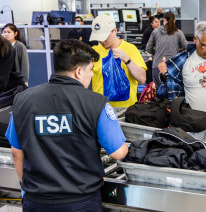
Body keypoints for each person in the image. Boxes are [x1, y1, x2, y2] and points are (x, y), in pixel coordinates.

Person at [5, 39, 128, 210]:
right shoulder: (96, 103)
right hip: (80, 202)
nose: (92, 75)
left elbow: (16, 152)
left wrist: (27, 187)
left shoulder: (22, 101)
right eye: (90, 70)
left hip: (36, 201)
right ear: (78, 72)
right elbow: (118, 152)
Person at [89, 14, 147, 108]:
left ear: (115, 31)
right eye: (99, 38)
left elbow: (142, 78)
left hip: (125, 108)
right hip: (100, 107)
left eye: (105, 37)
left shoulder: (130, 49)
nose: (102, 42)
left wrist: (127, 60)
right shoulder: (94, 52)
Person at [146, 12, 187, 87]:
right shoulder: (179, 33)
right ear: (174, 21)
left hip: (157, 66)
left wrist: (156, 53)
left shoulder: (155, 32)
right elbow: (186, 47)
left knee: (159, 92)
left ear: (163, 20)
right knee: (172, 93)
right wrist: (178, 51)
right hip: (173, 67)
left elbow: (148, 48)